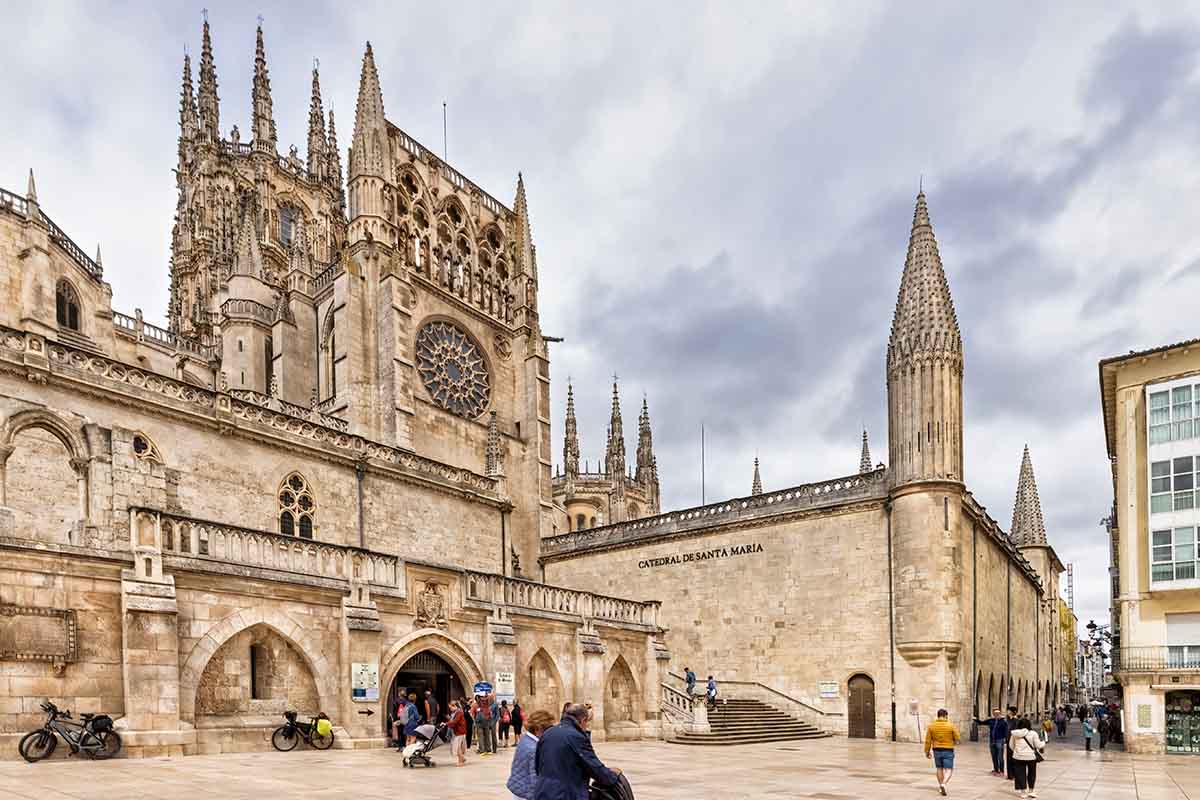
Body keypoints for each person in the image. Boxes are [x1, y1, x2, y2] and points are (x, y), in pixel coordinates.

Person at [534, 703, 621, 800]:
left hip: (543, 793)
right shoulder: (576, 737)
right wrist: (612, 776)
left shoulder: (548, 733)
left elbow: (538, 766)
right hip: (565, 795)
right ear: (583, 720)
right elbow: (594, 767)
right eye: (586, 722)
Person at [507, 710, 554, 799]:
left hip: (519, 788)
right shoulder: (534, 748)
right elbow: (535, 780)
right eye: (547, 729)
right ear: (538, 729)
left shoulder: (525, 739)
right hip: (526, 793)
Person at [923, 708, 960, 796]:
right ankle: (944, 784)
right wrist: (953, 741)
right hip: (948, 750)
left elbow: (928, 740)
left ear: (938, 715)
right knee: (949, 769)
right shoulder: (950, 725)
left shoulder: (931, 726)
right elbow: (958, 738)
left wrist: (927, 751)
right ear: (946, 716)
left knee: (939, 768)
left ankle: (940, 786)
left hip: (936, 750)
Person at [1009, 717, 1044, 798]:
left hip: (1018, 757)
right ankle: (1031, 791)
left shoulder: (1014, 734)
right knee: (1032, 773)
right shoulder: (1033, 733)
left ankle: (1023, 792)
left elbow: (1011, 746)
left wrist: (1017, 751)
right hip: (1031, 757)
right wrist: (1043, 743)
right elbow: (1038, 745)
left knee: (1020, 774)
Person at [974, 707, 1009, 777]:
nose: (996, 715)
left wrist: (1006, 740)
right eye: (995, 713)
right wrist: (976, 720)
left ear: (1000, 714)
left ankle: (1001, 771)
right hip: (992, 740)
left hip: (1000, 740)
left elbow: (1006, 731)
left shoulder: (1003, 722)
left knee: (1000, 756)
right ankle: (996, 770)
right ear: (993, 714)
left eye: (998, 713)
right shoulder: (991, 721)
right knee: (994, 756)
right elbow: (982, 722)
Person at [448, 699, 469, 766]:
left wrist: (446, 724)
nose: (450, 709)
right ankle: (462, 759)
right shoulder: (456, 712)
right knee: (458, 747)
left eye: (451, 707)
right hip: (458, 731)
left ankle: (461, 761)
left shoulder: (459, 712)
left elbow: (455, 722)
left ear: (454, 706)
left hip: (460, 731)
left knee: (457, 747)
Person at [1005, 706, 1018, 780]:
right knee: (1009, 758)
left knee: (1014, 758)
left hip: (1014, 742)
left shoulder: (1016, 721)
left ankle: (1014, 774)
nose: (1007, 712)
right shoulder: (1007, 720)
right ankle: (1010, 775)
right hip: (1008, 741)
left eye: (1008, 711)